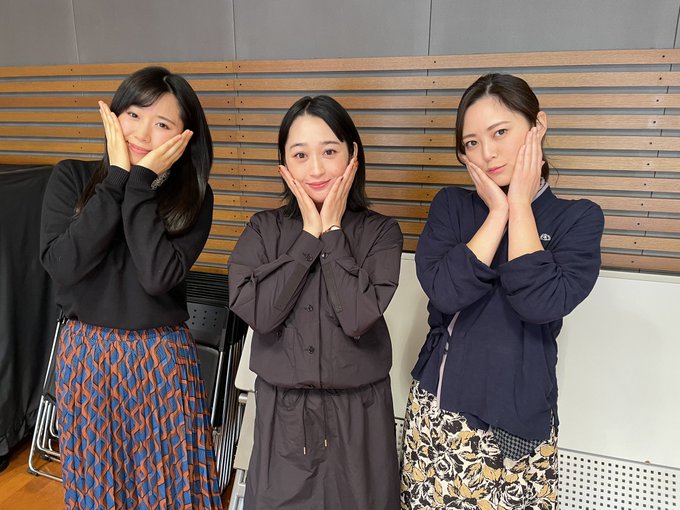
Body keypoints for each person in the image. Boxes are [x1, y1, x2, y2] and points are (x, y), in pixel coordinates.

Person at [400, 73, 604, 509]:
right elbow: (446, 292)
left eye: (500, 133)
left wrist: (520, 206)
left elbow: (539, 302)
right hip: (442, 411)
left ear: (537, 127)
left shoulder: (579, 218)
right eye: (471, 143)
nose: (487, 153)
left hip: (521, 420)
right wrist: (497, 212)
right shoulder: (451, 206)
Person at [40, 66, 222, 509]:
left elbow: (158, 276)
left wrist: (138, 184)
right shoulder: (71, 177)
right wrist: (117, 178)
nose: (142, 133)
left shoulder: (194, 197)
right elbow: (64, 266)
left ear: (184, 138)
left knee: (171, 491)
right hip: (88, 360)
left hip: (161, 360)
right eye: (134, 115)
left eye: (162, 124)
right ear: (114, 116)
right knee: (102, 490)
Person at [228, 95, 403, 510]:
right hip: (283, 415)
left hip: (360, 415)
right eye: (300, 155)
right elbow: (259, 314)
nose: (317, 169)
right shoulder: (263, 229)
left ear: (352, 155)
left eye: (329, 151)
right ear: (285, 166)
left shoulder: (381, 232)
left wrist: (333, 231)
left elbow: (358, 317)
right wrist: (309, 235)